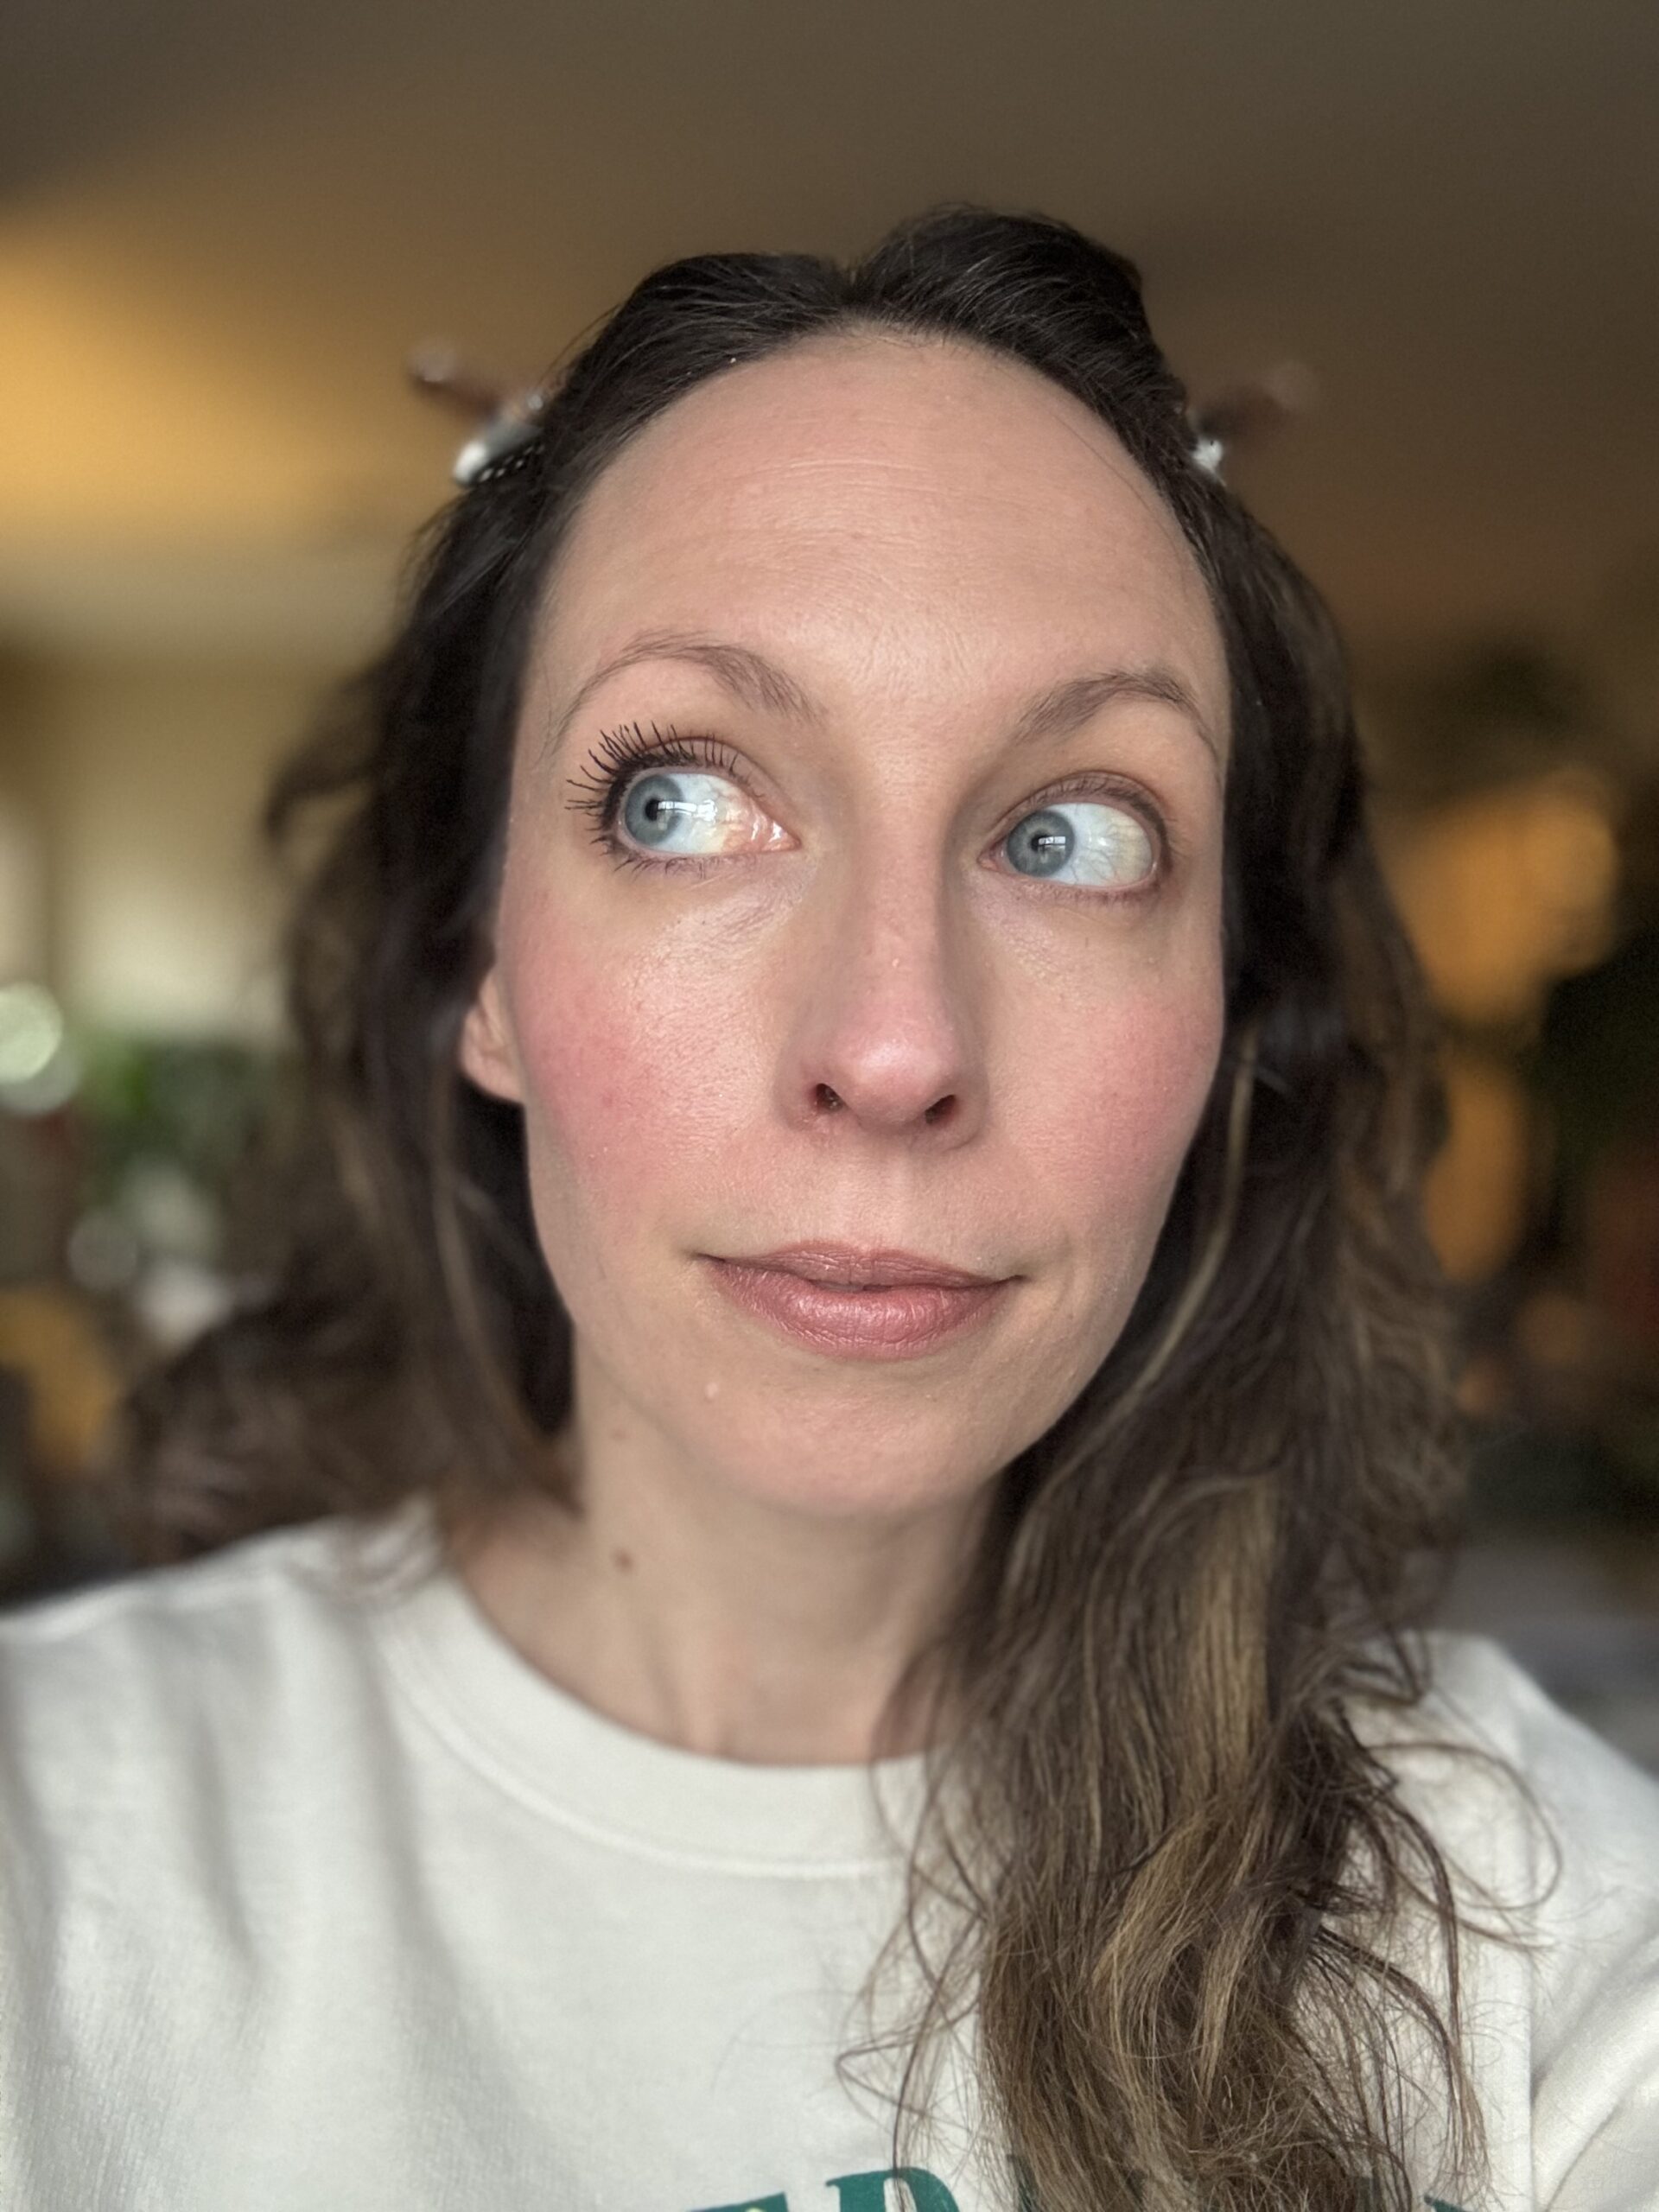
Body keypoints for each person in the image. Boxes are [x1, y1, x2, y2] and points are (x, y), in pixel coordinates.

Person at [1, 204, 1656, 2212]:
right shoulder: (55, 1855)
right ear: (481, 971)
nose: (890, 1045)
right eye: (680, 798)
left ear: (1231, 1014)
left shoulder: (1518, 1913)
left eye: (1072, 832)